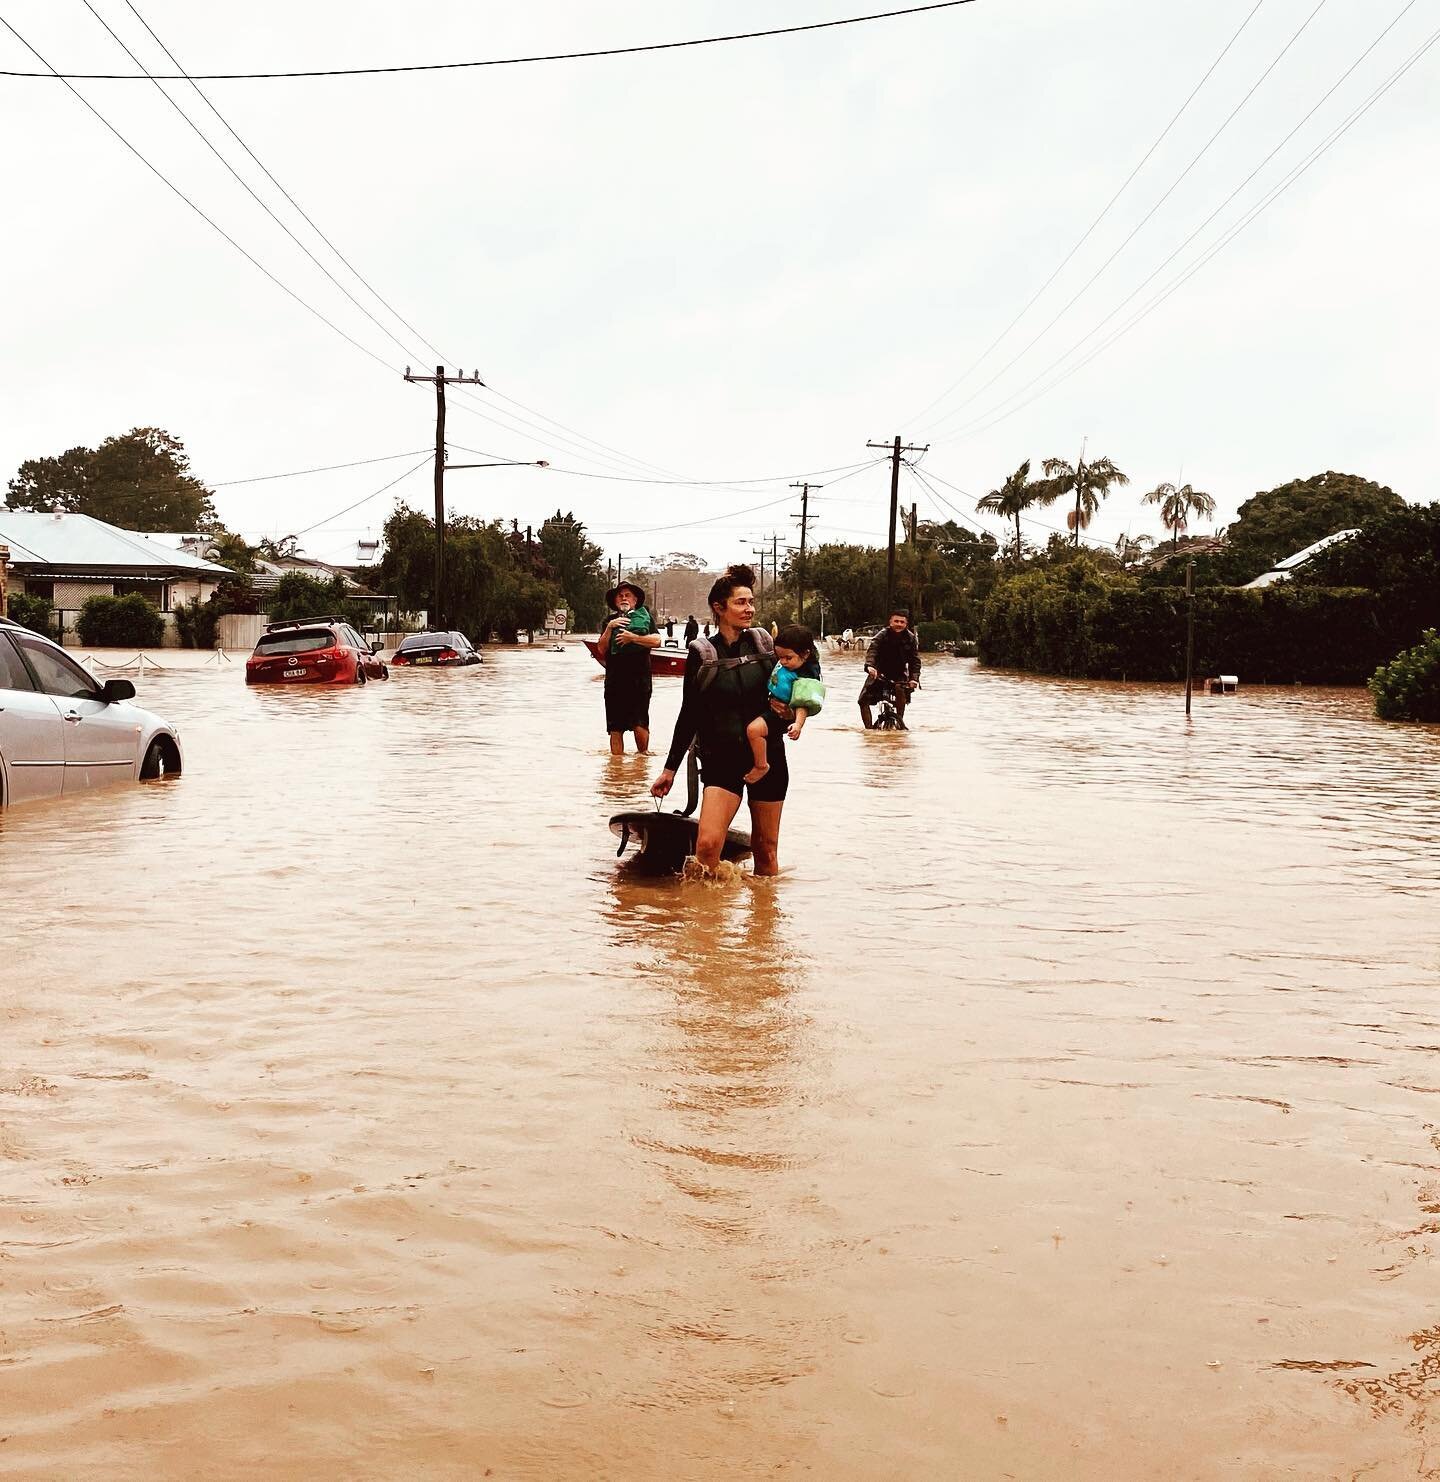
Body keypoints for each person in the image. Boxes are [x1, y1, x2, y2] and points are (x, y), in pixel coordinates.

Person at [651, 565, 787, 876]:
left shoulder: (765, 646)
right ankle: (705, 920)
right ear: (718, 607)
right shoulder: (702, 653)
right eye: (741, 602)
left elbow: (794, 688)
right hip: (722, 760)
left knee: (765, 850)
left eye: (751, 602)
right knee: (708, 846)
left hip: (768, 758)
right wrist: (669, 769)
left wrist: (790, 712)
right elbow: (690, 713)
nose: (749, 609)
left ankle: (763, 921)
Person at [743, 624, 824, 784]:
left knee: (753, 731)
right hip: (771, 707)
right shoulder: (791, 662)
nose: (783, 662)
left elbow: (803, 703)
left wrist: (798, 725)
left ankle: (761, 765)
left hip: (780, 715)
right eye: (780, 657)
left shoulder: (806, 677)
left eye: (788, 658)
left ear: (806, 654)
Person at [597, 581, 661, 754]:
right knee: (615, 727)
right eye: (620, 595)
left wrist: (632, 638)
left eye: (628, 595)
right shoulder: (609, 621)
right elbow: (601, 649)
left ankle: (642, 760)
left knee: (639, 723)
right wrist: (610, 628)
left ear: (635, 600)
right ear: (615, 601)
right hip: (614, 681)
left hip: (639, 680)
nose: (624, 598)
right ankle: (616, 768)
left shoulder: (645, 618)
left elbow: (657, 641)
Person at [859, 608, 922, 730]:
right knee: (862, 701)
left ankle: (899, 721)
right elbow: (872, 651)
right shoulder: (881, 635)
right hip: (878, 672)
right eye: (896, 621)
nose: (899, 624)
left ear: (906, 624)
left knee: (900, 688)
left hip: (900, 673)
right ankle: (869, 729)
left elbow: (915, 661)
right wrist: (870, 666)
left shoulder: (911, 638)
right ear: (890, 622)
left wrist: (914, 679)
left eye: (902, 622)